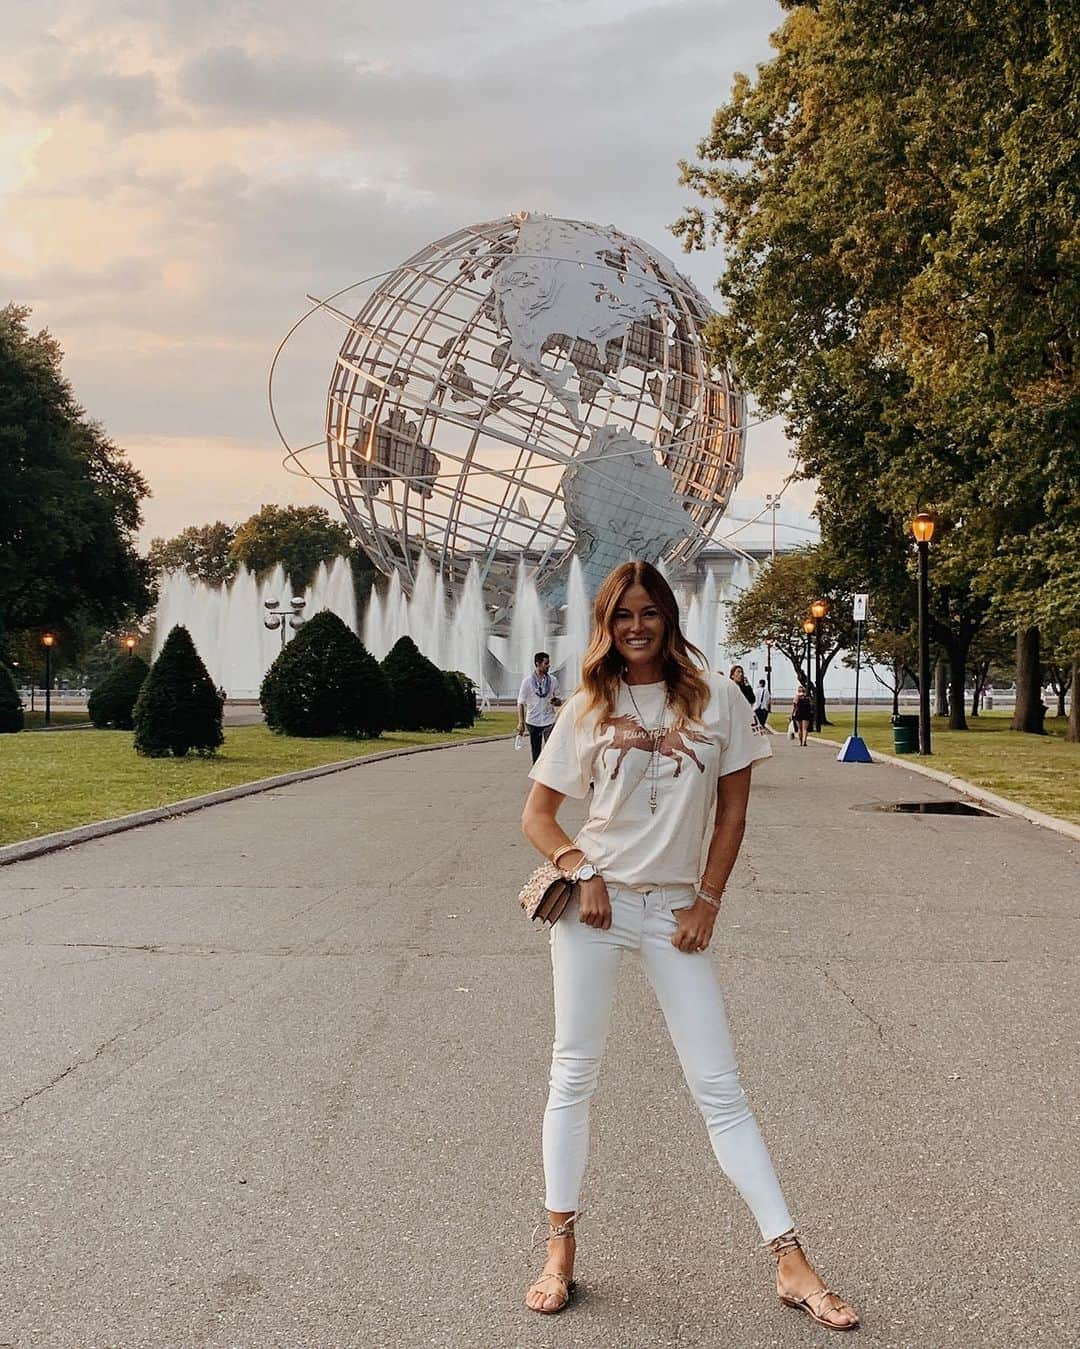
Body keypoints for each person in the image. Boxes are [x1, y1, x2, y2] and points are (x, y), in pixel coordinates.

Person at [520, 561, 858, 1332]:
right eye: (622, 615)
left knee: (721, 1087)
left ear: (669, 618)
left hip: (676, 911)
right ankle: (560, 1246)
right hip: (595, 912)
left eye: (648, 612)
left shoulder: (716, 701)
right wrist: (583, 868)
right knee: (573, 1074)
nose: (636, 626)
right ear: (606, 624)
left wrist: (707, 899)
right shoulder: (587, 706)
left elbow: (732, 815)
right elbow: (538, 817)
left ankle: (789, 1256)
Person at [517, 652, 562, 764]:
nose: (549, 666)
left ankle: (549, 774)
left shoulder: (553, 680)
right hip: (533, 720)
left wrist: (555, 701)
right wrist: (521, 722)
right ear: (538, 664)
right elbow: (521, 703)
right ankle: (537, 776)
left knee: (551, 749)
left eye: (548, 663)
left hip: (549, 720)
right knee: (536, 751)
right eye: (546, 663)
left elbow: (559, 701)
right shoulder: (527, 682)